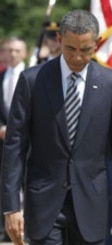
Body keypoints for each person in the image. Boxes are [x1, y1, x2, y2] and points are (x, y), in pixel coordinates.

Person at [0, 9, 112, 245]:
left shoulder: (111, 84)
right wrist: (11, 207)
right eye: (70, 49)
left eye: (85, 50)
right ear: (59, 40)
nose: (77, 57)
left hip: (91, 204)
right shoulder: (33, 80)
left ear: (97, 43)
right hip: (44, 203)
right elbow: (15, 146)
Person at [0, 36, 27, 242]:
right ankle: (6, 228)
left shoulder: (35, 76)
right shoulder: (1, 77)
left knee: (29, 183)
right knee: (6, 183)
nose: (13, 54)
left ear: (24, 53)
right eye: (9, 50)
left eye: (17, 50)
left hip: (31, 143)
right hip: (3, 142)